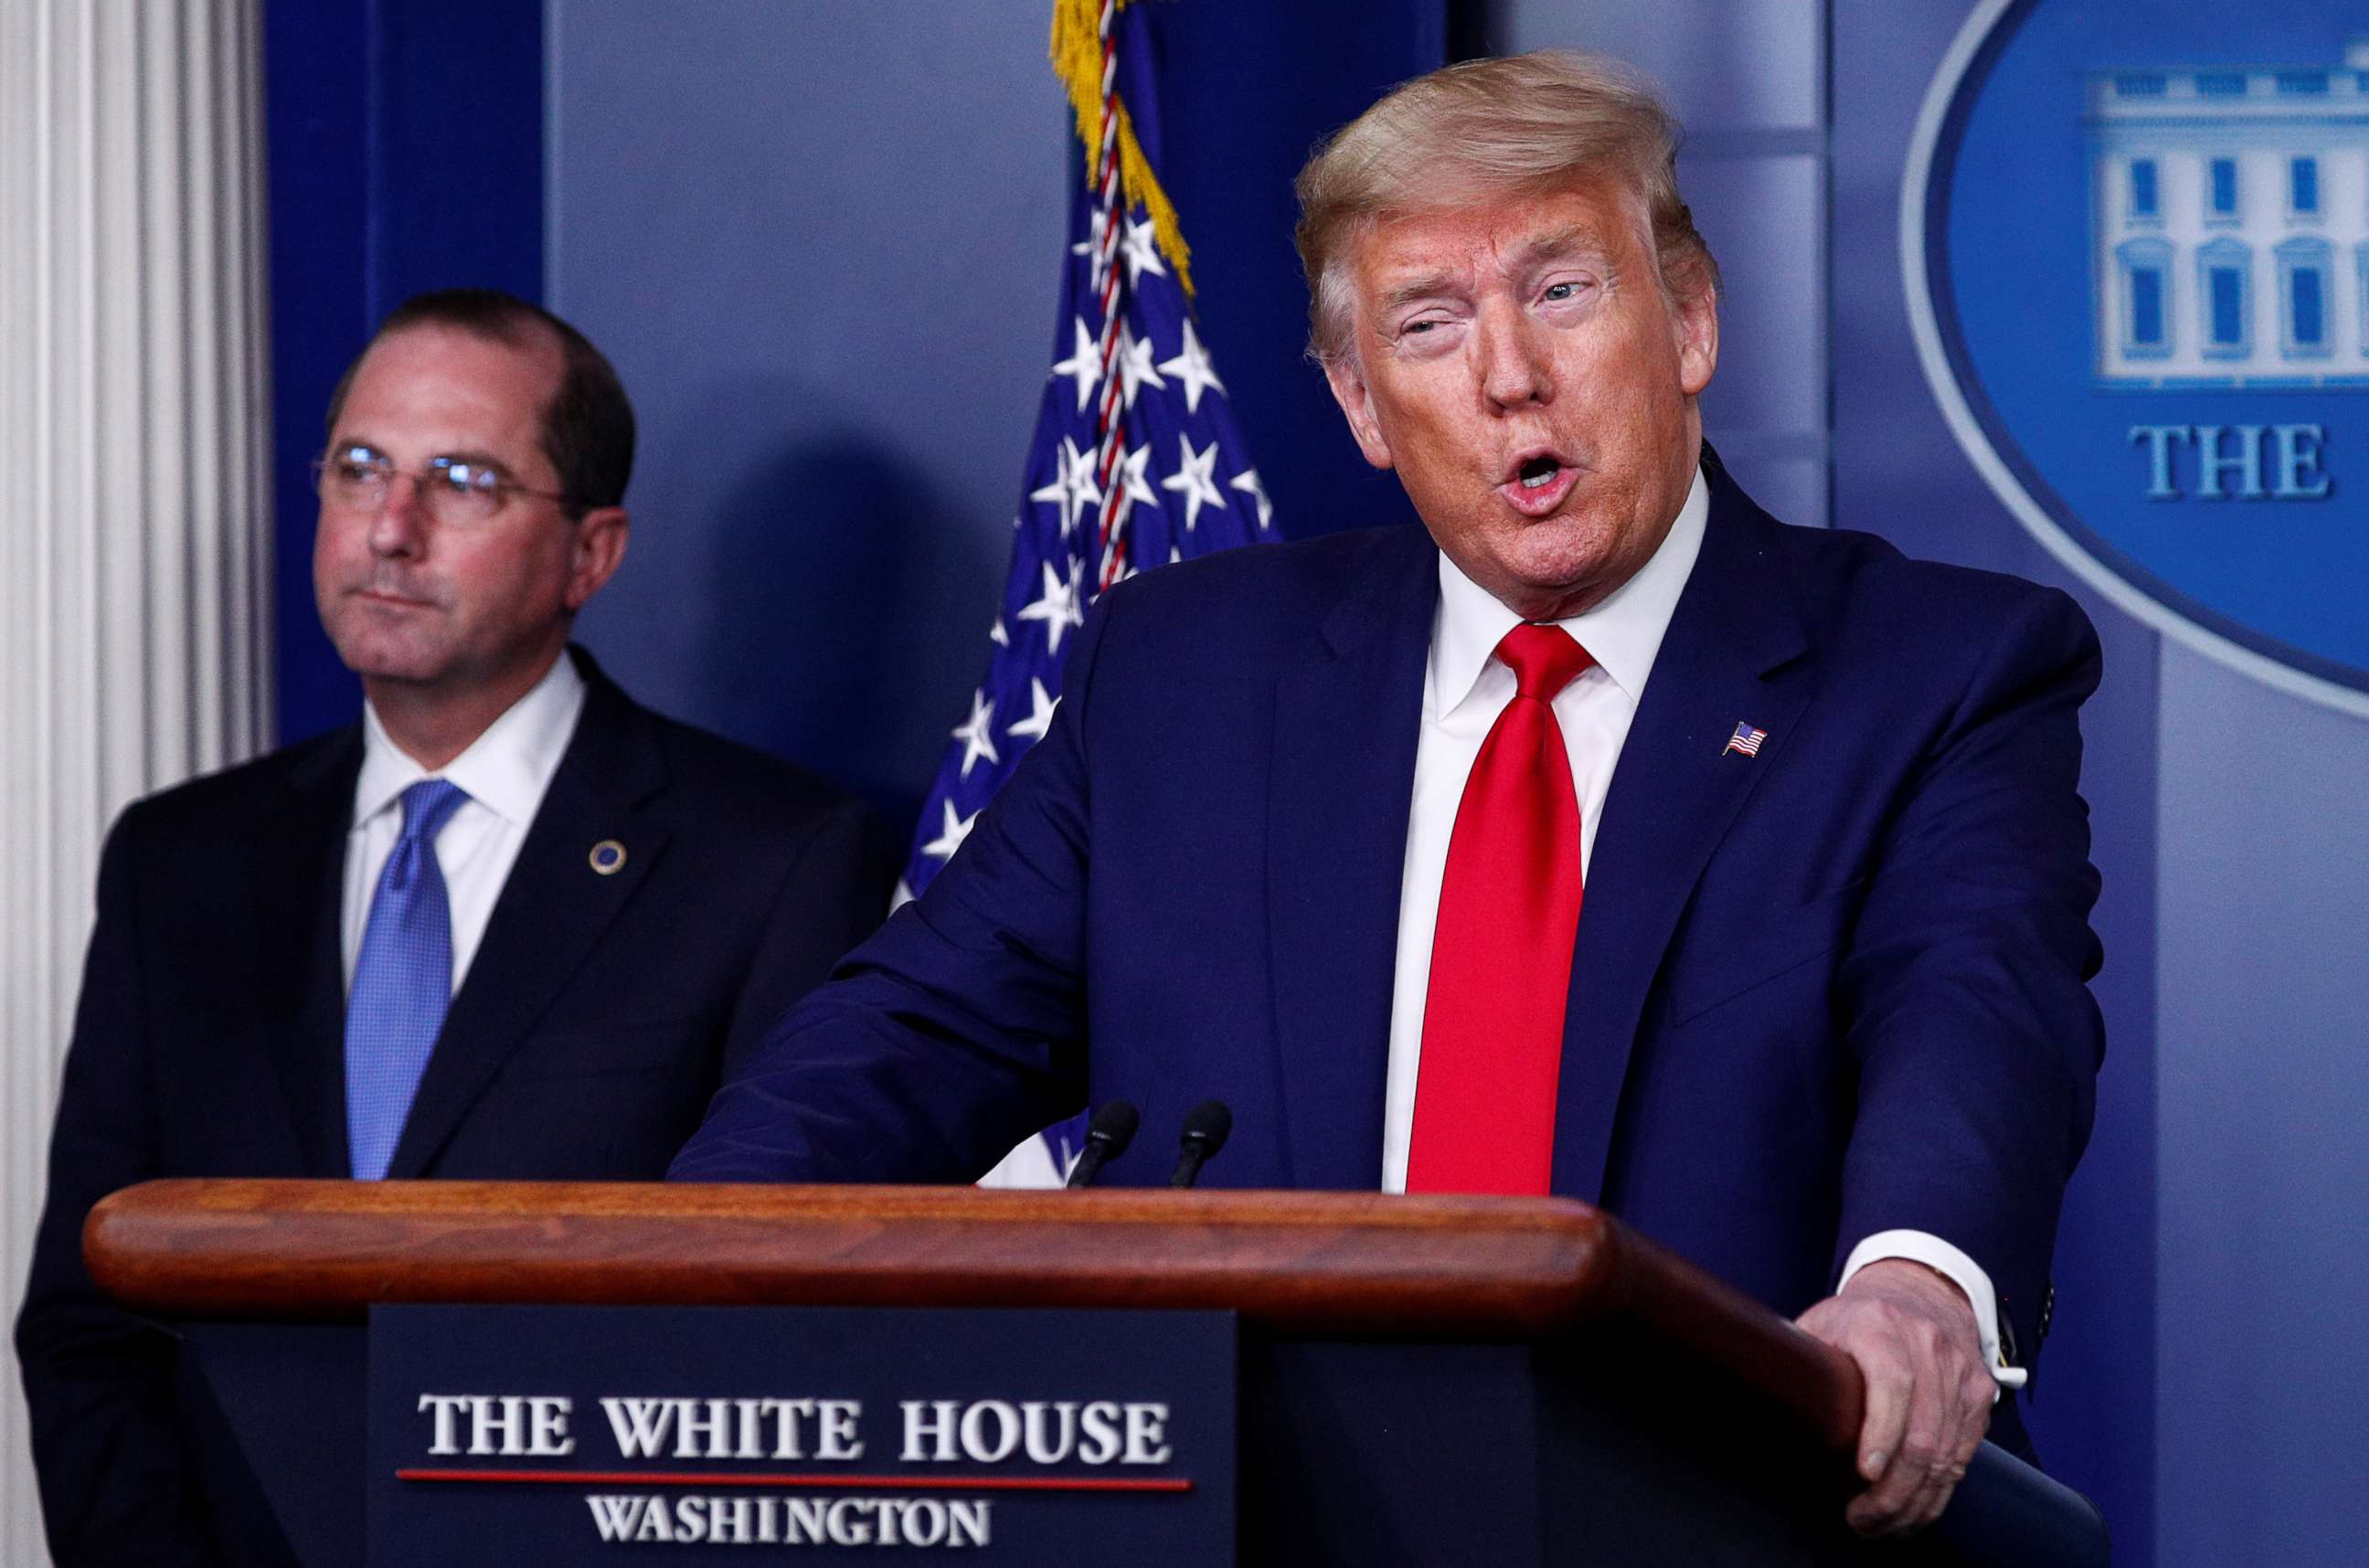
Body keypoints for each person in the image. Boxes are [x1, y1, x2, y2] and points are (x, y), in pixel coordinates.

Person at [671, 53, 2104, 1536]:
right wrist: (654, 1281)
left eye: (1561, 292)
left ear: (1688, 321)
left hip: (1721, 1514)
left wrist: (1919, 1284)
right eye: (1430, 324)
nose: (1507, 376)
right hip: (1242, 1514)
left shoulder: (1935, 671)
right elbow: (911, 1035)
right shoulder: (1182, 676)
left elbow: (1978, 1008)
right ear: (1362, 403)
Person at [17, 288, 897, 1566]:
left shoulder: (771, 860)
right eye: (360, 467)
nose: (389, 528)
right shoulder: (182, 859)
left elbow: (770, 1341)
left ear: (591, 554)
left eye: (466, 480)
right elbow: (91, 1321)